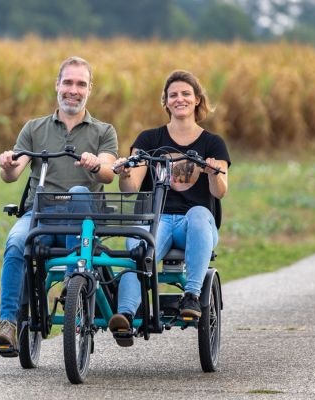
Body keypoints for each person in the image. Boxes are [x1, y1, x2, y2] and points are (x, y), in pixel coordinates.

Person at [0, 56, 118, 356]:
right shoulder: (35, 128)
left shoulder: (103, 131)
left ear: (90, 90)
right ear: (57, 85)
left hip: (82, 219)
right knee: (16, 243)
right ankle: (7, 323)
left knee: (77, 190)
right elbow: (12, 174)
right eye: (68, 82)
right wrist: (7, 164)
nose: (74, 90)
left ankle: (74, 295)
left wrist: (95, 163)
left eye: (81, 84)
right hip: (41, 215)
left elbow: (110, 172)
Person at [110, 70, 231, 347]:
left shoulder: (213, 143)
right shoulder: (149, 140)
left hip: (195, 225)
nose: (180, 99)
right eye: (173, 95)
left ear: (197, 100)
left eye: (186, 94)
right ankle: (126, 314)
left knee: (200, 213)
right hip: (158, 220)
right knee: (139, 244)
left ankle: (191, 296)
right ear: (165, 101)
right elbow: (130, 188)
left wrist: (212, 172)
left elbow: (219, 191)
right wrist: (124, 172)